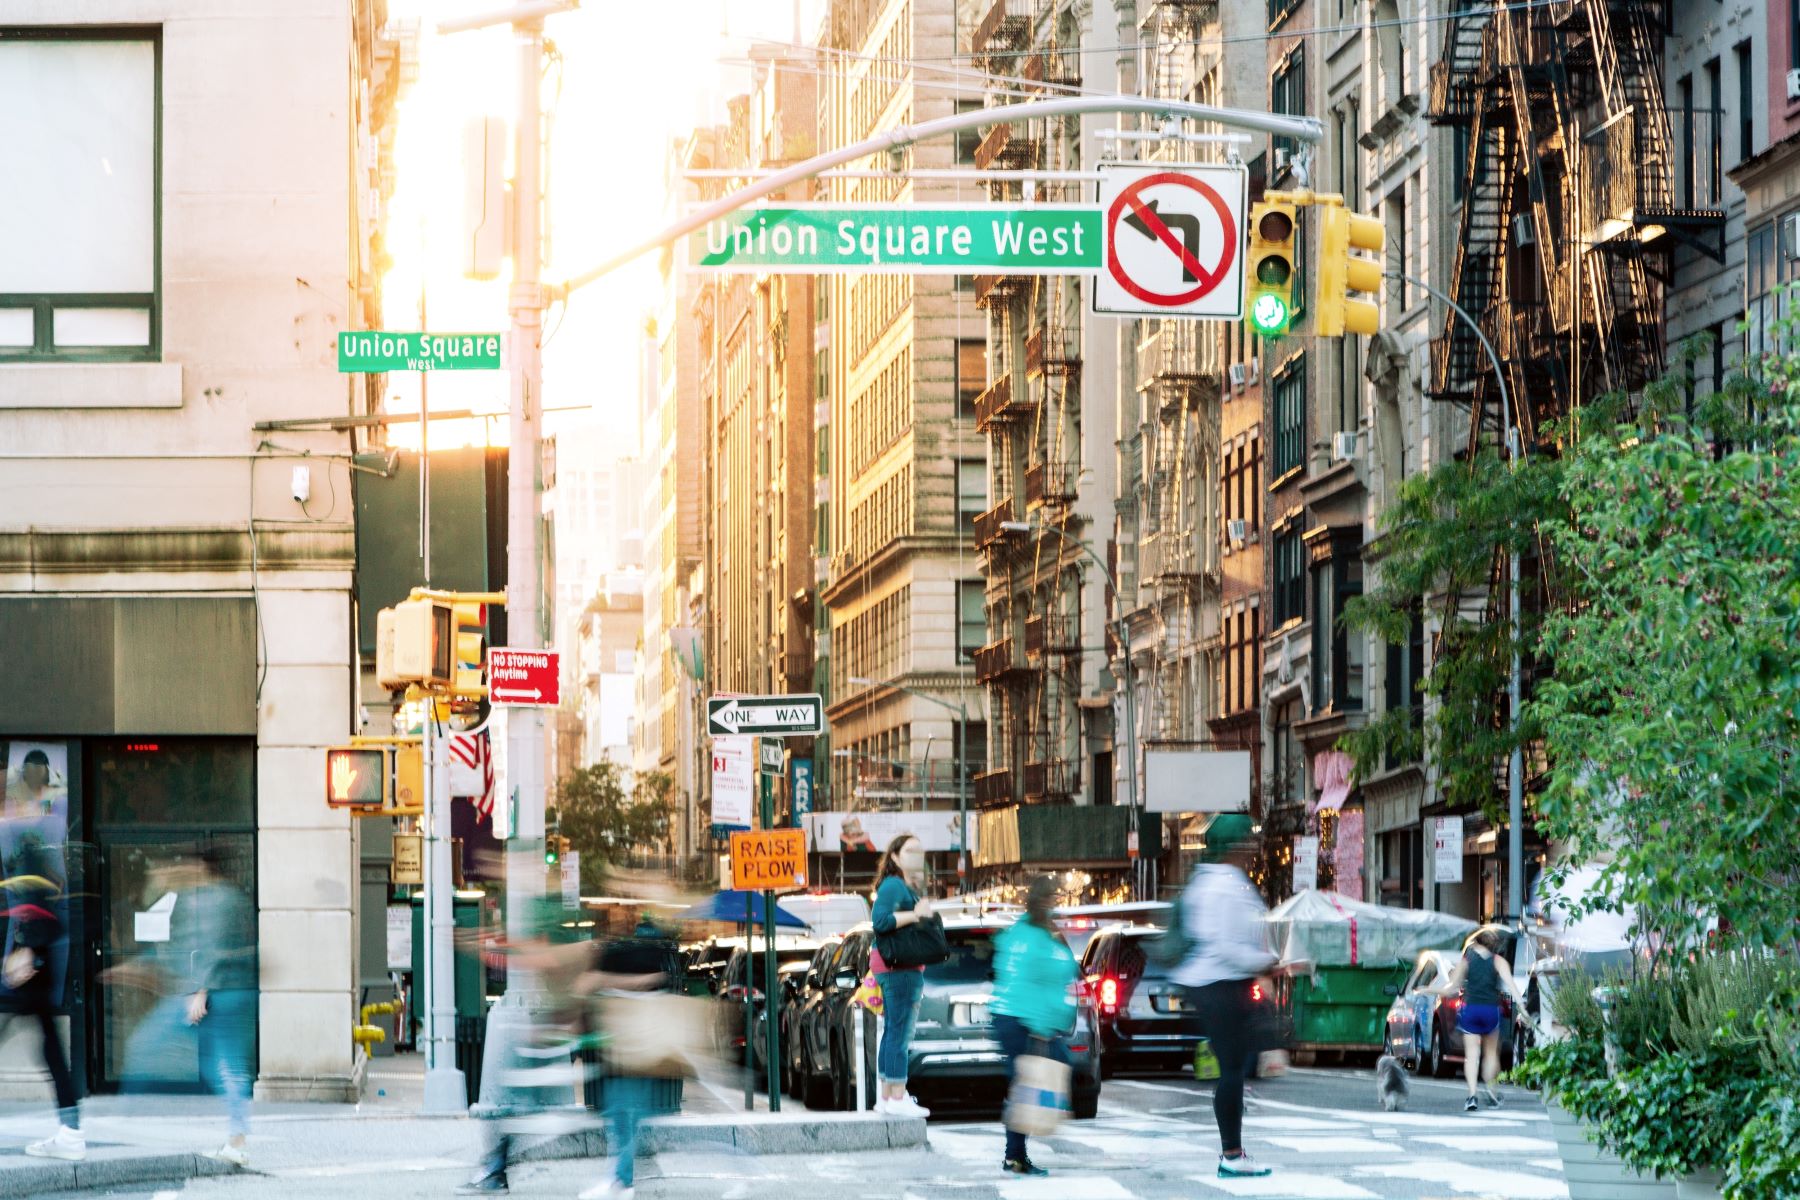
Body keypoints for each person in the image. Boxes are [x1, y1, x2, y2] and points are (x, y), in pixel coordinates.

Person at [1173, 813, 1287, 1180]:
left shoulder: (1211, 881)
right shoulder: (1222, 886)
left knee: (1236, 1066)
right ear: (1234, 846)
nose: (1253, 847)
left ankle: (1233, 1150)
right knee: (1234, 1069)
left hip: (1220, 982)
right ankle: (1231, 1154)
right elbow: (1225, 946)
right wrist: (1267, 961)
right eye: (1247, 841)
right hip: (1219, 984)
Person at [577, 911, 678, 1200]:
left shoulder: (644, 952)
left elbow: (656, 979)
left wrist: (602, 981)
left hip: (638, 1042)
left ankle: (622, 1180)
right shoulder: (626, 950)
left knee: (624, 1110)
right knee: (620, 1111)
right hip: (623, 1043)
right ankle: (623, 1179)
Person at [170, 846, 258, 1166]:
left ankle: (237, 1139)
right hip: (241, 989)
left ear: (204, 868)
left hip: (224, 991)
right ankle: (237, 1136)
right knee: (226, 1063)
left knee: (223, 1065)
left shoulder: (216, 900)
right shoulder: (236, 896)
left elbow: (214, 947)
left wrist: (200, 991)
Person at [989, 875, 1076, 1177]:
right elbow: (1048, 976)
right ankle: (1016, 1152)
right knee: (1037, 1075)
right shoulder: (1040, 939)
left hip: (1007, 1017)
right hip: (1025, 1020)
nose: (1057, 904)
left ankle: (1015, 1154)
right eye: (1055, 898)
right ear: (1047, 900)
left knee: (1023, 1080)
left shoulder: (1018, 932)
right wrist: (1042, 1027)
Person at [0, 840, 81, 1160]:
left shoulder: (26, 861)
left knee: (51, 1051)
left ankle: (72, 1132)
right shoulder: (33, 864)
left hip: (30, 978)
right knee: (51, 1050)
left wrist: (27, 953)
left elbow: (37, 913)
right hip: (33, 978)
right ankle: (72, 1130)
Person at [869, 833, 931, 1117]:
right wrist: (917, 915)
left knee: (893, 1029)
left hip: (895, 966)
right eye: (910, 850)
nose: (917, 854)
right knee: (901, 1032)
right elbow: (880, 921)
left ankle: (886, 1095)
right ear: (894, 857)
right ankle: (897, 1096)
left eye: (920, 850)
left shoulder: (902, 885)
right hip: (899, 967)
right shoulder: (894, 885)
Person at [1436, 928, 1524, 1112]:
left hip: (1470, 1009)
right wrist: (1523, 1009)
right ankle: (1492, 1091)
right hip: (1491, 1010)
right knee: (1491, 1054)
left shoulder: (1467, 960)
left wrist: (1429, 990)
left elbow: (1452, 987)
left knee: (1472, 1055)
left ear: (1476, 943)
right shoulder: (1498, 961)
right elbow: (1512, 986)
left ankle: (1472, 1095)